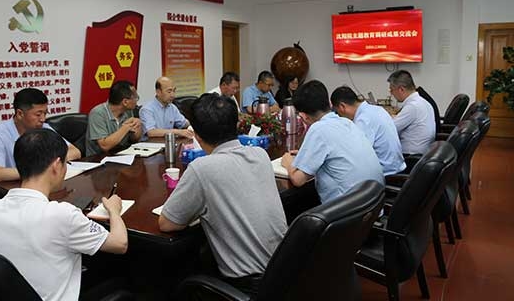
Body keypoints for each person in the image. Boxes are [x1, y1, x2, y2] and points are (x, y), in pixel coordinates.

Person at [0, 129, 128, 301]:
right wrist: (114, 211)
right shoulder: (62, 214)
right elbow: (120, 244)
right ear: (56, 165)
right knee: (121, 281)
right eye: (66, 163)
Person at [159, 93, 287, 297]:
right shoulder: (260, 155)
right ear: (236, 125)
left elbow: (167, 223)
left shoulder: (202, 168)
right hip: (284, 274)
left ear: (197, 136)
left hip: (248, 287)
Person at [280, 80, 384, 205]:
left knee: (289, 200)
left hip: (349, 210)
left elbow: (298, 180)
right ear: (329, 103)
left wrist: (289, 163)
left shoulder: (318, 129)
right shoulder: (347, 122)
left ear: (303, 116)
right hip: (373, 204)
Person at [0, 88, 81, 187]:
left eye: (45, 113)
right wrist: (39, 171)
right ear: (20, 114)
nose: (43, 119)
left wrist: (48, 165)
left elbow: (75, 152)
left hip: (32, 184)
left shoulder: (44, 128)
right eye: (38, 114)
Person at [330, 86, 406, 176]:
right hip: (396, 166)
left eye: (338, 113)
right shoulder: (376, 109)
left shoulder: (363, 120)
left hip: (387, 173)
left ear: (342, 106)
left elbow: (357, 155)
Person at [86, 80, 143, 156]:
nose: (136, 100)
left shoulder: (128, 111)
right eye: (135, 97)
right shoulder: (97, 113)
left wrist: (137, 126)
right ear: (125, 102)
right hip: (98, 158)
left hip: (122, 154)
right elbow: (104, 146)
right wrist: (126, 127)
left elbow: (134, 139)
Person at [387, 70, 436, 154]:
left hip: (410, 155)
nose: (391, 94)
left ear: (401, 89)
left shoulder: (412, 107)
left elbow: (389, 129)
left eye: (391, 90)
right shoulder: (423, 102)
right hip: (423, 152)